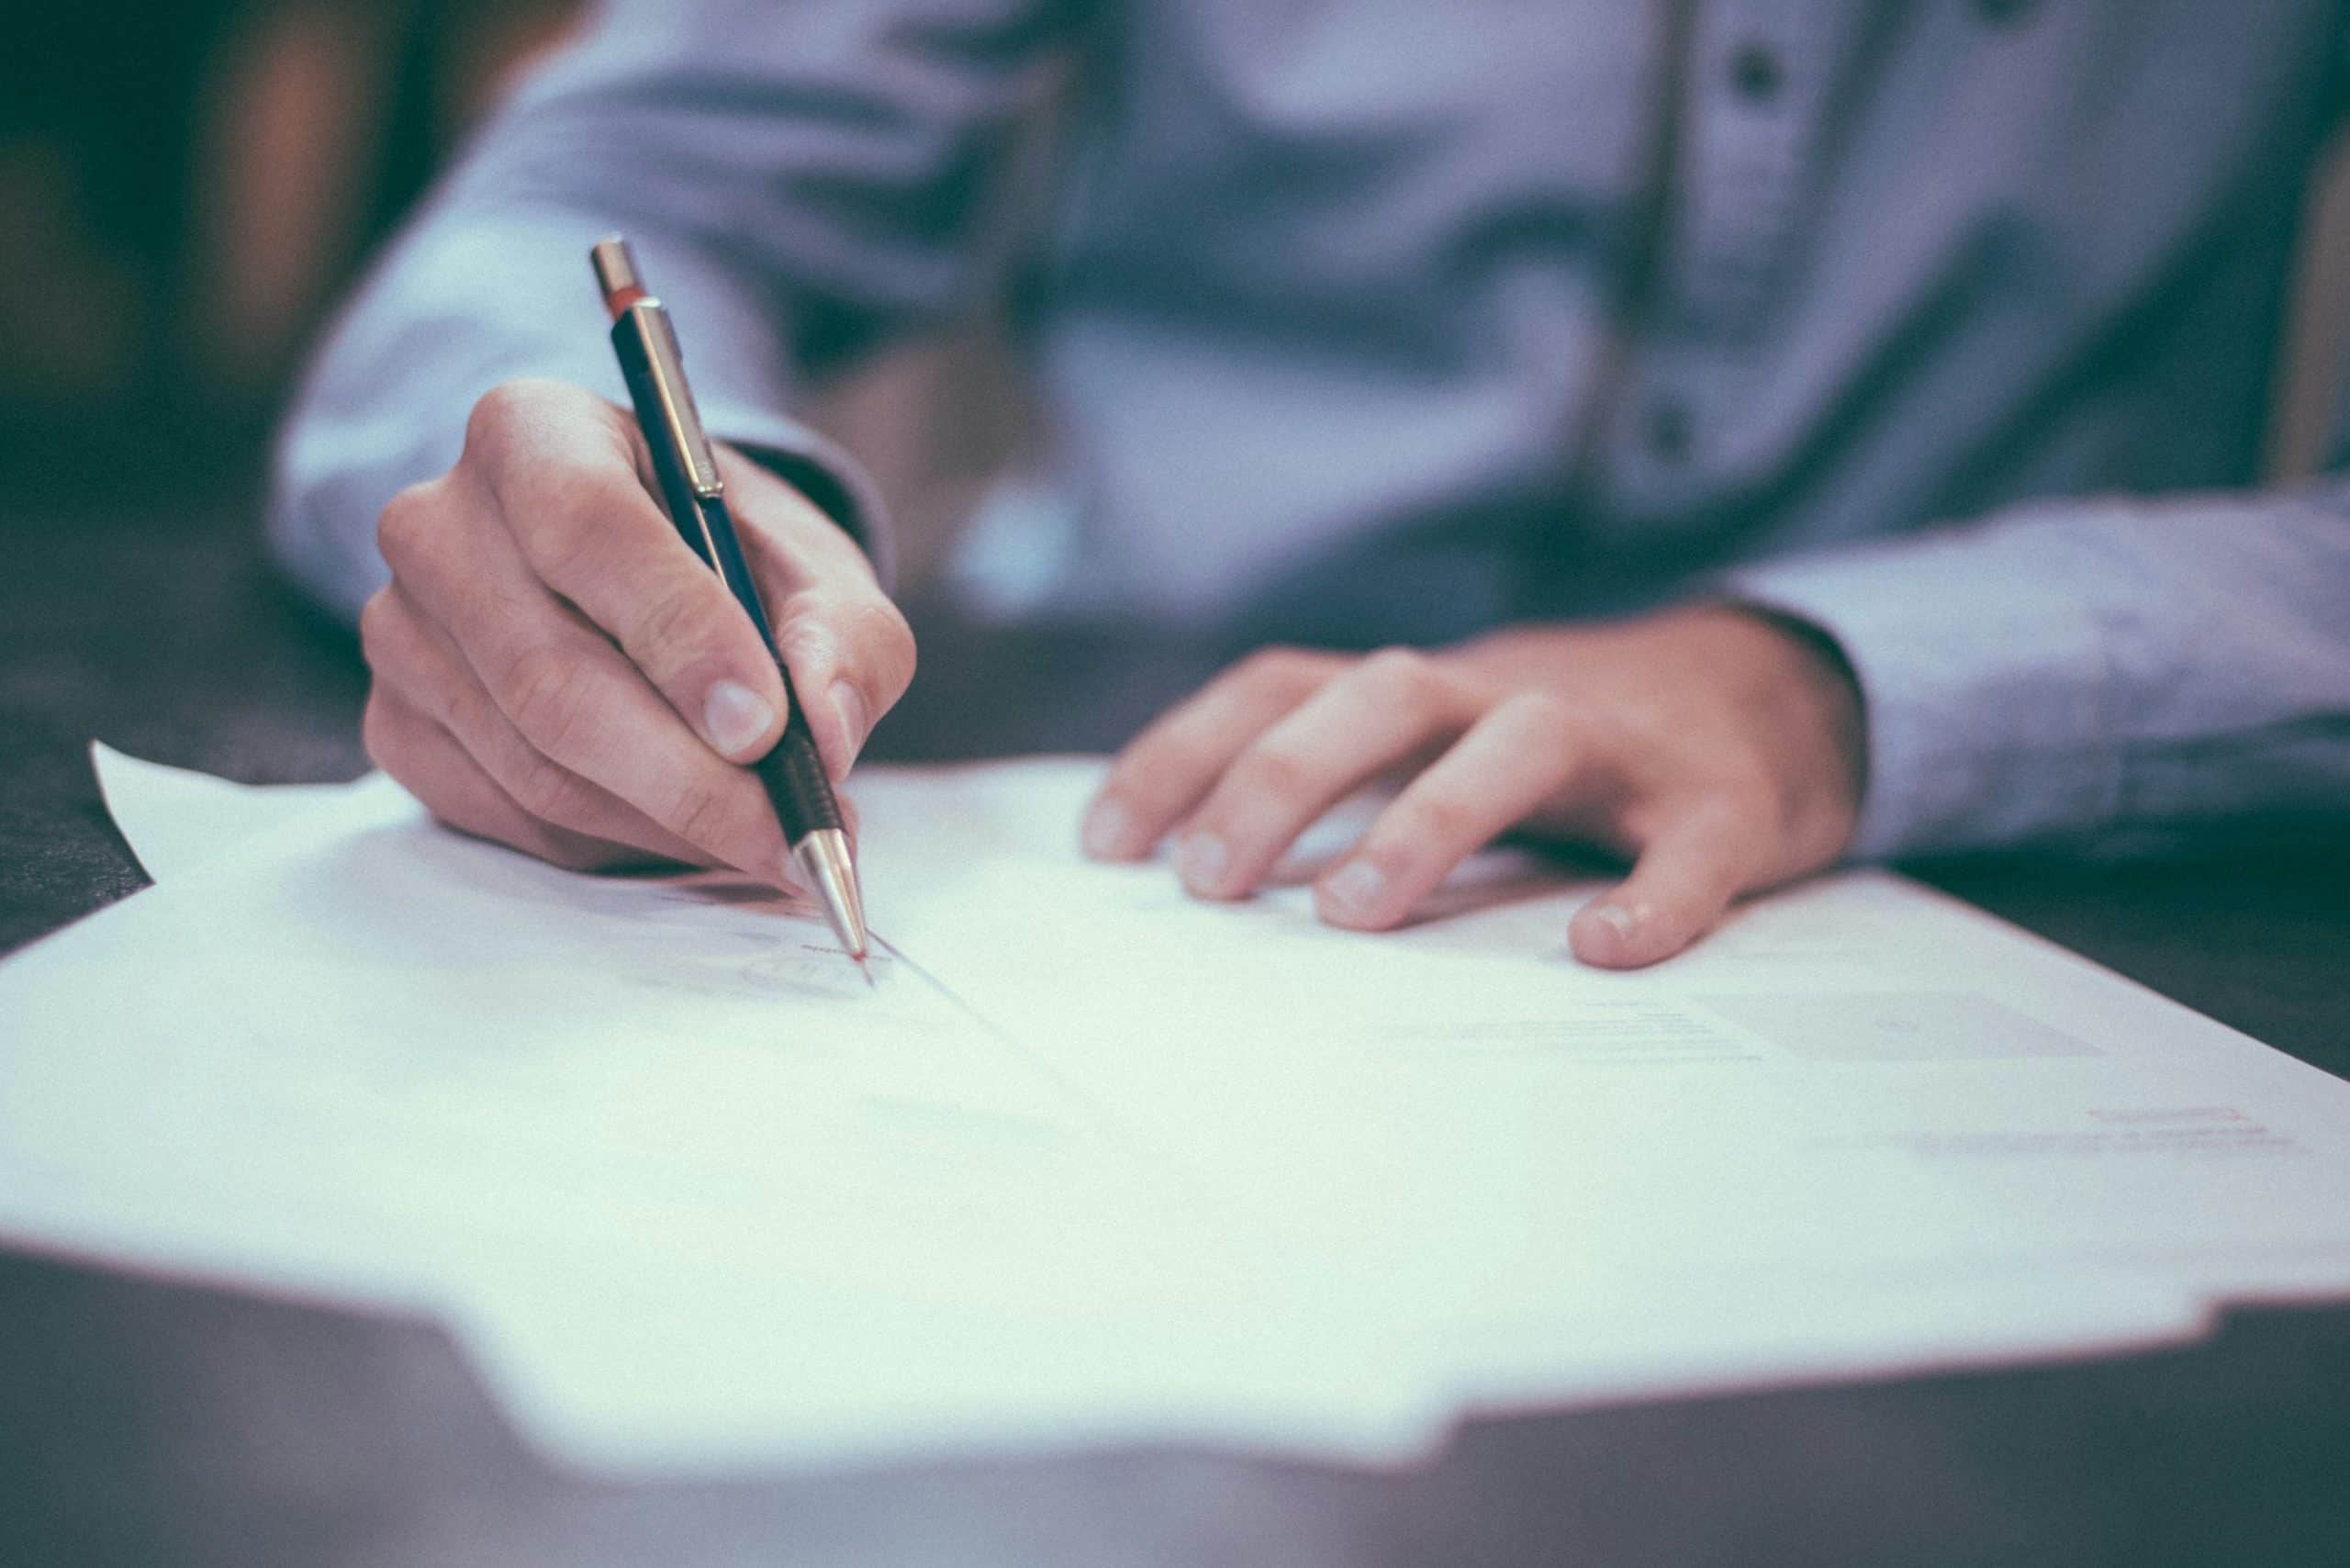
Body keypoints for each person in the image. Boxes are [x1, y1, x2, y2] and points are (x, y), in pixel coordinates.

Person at [272, 1, 2350, 969]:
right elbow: (587, 199)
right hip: (1111, 796)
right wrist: (609, 514)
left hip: (2041, 885)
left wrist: (1827, 677)